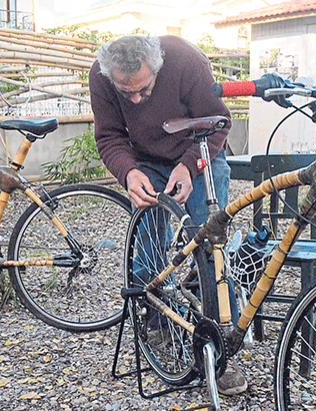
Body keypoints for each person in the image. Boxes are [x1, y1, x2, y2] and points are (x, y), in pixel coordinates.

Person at [89, 35, 247, 396]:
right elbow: (110, 136)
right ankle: (158, 322)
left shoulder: (185, 61)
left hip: (199, 151)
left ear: (157, 67)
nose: (134, 100)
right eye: (125, 92)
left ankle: (222, 349)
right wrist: (129, 173)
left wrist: (189, 166)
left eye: (143, 90)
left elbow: (220, 122)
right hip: (145, 160)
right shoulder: (100, 75)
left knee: (211, 248)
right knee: (148, 248)